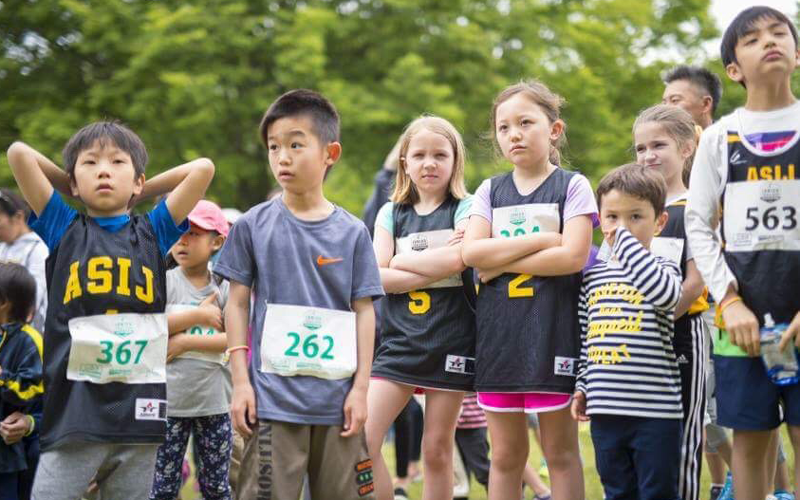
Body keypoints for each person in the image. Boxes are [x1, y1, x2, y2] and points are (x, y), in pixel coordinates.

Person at [6, 121, 214, 499]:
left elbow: (203, 168)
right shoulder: (63, 227)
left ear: (137, 180)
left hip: (138, 415)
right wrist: (73, 184)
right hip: (74, 415)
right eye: (91, 163)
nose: (104, 170)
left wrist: (137, 190)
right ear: (72, 182)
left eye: (118, 162)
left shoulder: (155, 230)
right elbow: (19, 153)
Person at [216, 89, 383, 500]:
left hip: (338, 403)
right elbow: (236, 303)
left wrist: (361, 389)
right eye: (274, 147)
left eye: (295, 144)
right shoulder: (251, 226)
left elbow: (365, 312)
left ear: (331, 153)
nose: (282, 157)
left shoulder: (353, 232)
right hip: (273, 404)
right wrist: (241, 383)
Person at [462, 80, 597, 500]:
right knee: (505, 456)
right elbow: (471, 254)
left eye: (525, 122)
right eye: (504, 127)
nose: (514, 134)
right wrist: (544, 239)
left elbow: (573, 257)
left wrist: (496, 262)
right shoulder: (489, 189)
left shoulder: (573, 186)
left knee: (559, 453)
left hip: (552, 333)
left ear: (554, 129)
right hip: (499, 338)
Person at [686, 6, 800, 499]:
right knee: (752, 444)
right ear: (733, 68)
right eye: (752, 39)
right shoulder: (718, 137)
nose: (769, 41)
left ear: (797, 52)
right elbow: (699, 223)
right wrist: (728, 301)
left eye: (779, 33)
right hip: (741, 319)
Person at [365, 115, 475, 500]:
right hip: (400, 343)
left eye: (440, 155)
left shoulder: (468, 207)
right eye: (420, 155)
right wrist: (437, 261)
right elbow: (376, 277)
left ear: (455, 161)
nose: (430, 163)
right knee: (363, 440)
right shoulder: (390, 213)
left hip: (451, 341)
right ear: (405, 163)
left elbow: (460, 260)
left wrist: (398, 263)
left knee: (436, 450)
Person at [572, 163, 683, 499]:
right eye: (612, 218)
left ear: (659, 222)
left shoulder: (663, 267)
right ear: (599, 220)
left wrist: (625, 243)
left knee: (657, 492)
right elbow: (585, 340)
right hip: (606, 410)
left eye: (636, 217)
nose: (622, 227)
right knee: (617, 491)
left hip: (655, 413)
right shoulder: (592, 277)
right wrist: (582, 385)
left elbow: (667, 296)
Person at [633, 104, 708, 500]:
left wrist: (656, 322)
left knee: (680, 442)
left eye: (658, 145)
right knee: (643, 446)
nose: (648, 156)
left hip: (679, 338)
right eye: (640, 148)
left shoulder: (696, 206)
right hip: (633, 345)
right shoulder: (632, 212)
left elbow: (696, 283)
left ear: (686, 148)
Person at [150, 200, 232, 500]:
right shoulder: (163, 281)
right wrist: (198, 316)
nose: (183, 240)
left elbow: (233, 338)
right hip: (168, 404)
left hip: (215, 403)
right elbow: (150, 329)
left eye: (194, 233)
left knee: (216, 486)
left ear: (217, 242)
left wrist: (184, 341)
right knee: (162, 487)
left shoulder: (223, 285)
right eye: (179, 232)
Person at [0, 263, 43, 500]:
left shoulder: (30, 340)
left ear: (4, 301)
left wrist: (3, 379)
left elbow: (31, 390)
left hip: (9, 454)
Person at [0, 189, 48, 333]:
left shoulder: (38, 249)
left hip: (28, 332)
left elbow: (34, 297)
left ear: (18, 217)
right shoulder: (2, 247)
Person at [662, 65, 723, 130]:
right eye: (664, 103)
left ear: (706, 104)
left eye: (675, 100)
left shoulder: (728, 138)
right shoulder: (657, 138)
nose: (665, 109)